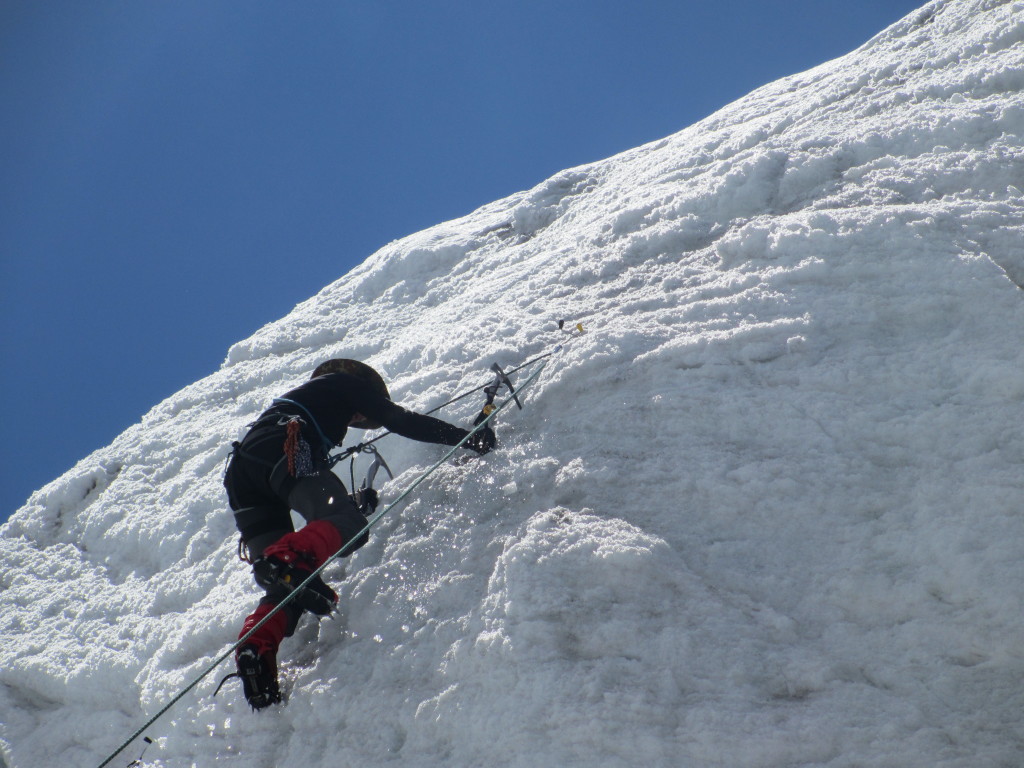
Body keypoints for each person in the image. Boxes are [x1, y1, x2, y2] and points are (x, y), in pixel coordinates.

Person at [221, 358, 495, 709]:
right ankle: (283, 560)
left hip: (244, 477)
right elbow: (400, 420)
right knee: (349, 527)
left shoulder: (308, 400)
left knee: (292, 580)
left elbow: (309, 496)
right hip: (283, 447)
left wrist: (347, 502)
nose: (355, 421)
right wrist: (468, 438)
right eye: (360, 415)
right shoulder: (344, 383)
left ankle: (257, 646)